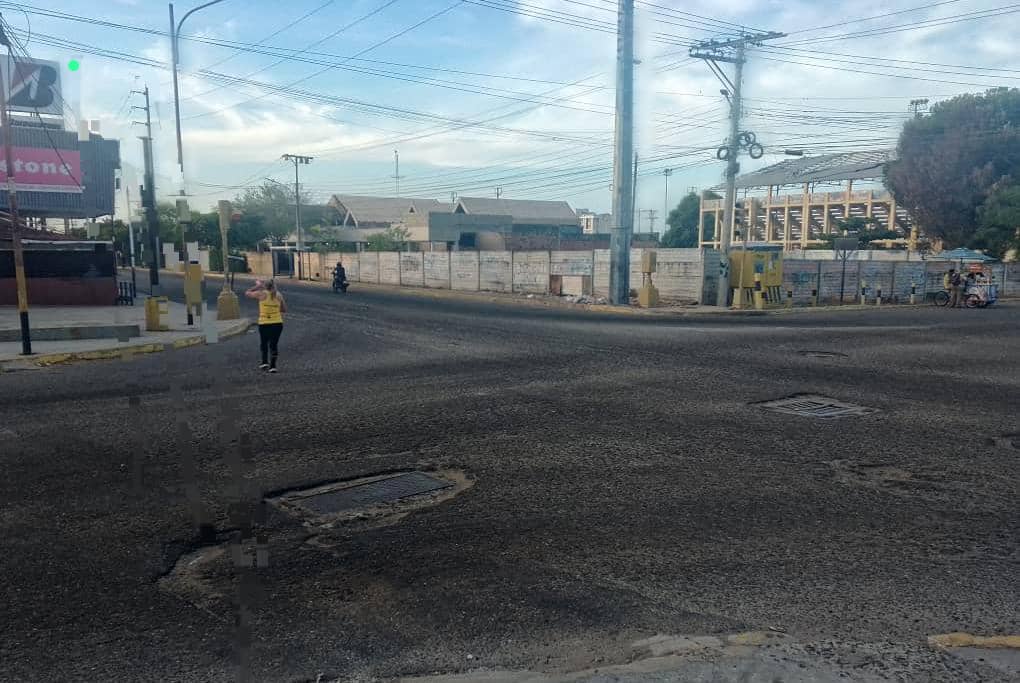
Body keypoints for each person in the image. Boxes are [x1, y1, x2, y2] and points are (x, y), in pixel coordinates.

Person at [245, 279, 286, 373]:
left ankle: (264, 362)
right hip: (277, 323)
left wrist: (258, 286)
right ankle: (273, 366)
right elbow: (284, 309)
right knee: (273, 344)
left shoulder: (261, 294)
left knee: (264, 343)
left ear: (265, 286)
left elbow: (247, 293)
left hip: (264, 323)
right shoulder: (279, 295)